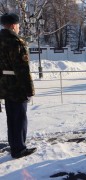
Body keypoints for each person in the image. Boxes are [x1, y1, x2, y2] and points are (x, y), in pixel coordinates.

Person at [0, 13, 36, 158]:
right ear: (14, 25)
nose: (19, 28)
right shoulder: (15, 42)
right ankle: (19, 148)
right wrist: (29, 89)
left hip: (4, 85)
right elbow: (22, 69)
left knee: (12, 117)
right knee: (19, 117)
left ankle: (15, 145)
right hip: (16, 86)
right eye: (18, 25)